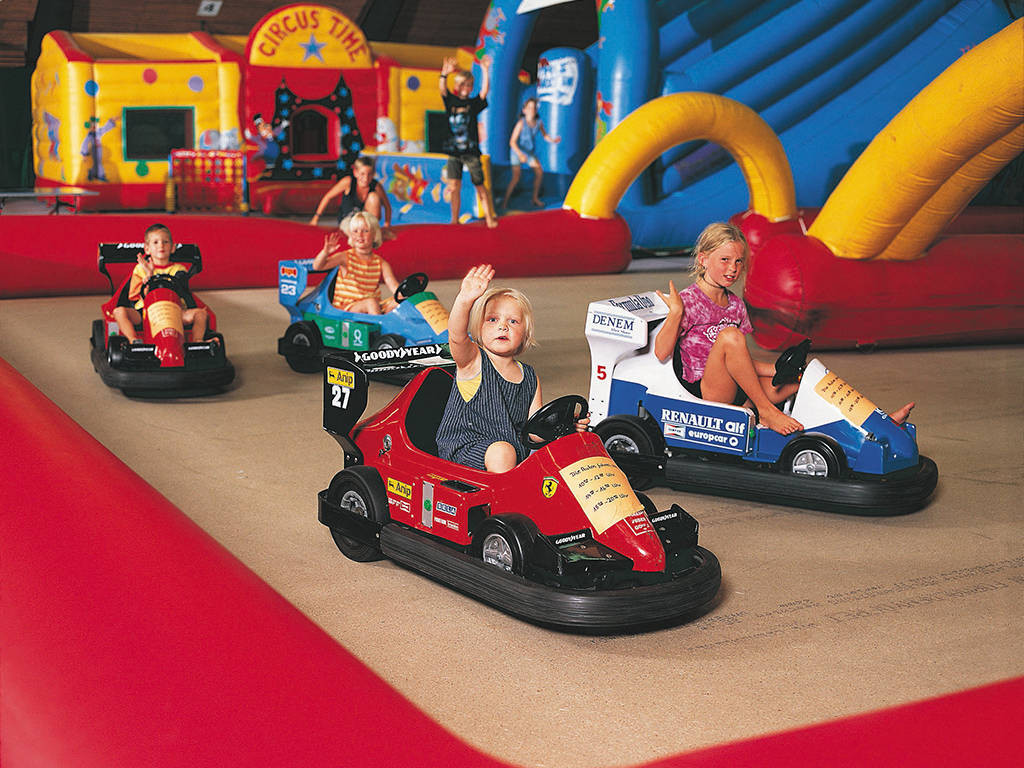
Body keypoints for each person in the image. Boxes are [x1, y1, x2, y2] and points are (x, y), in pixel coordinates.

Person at [653, 222, 915, 434]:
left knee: (809, 378)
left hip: (742, 390)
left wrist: (779, 369)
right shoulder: (688, 301)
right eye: (724, 260)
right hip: (710, 394)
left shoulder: (735, 305)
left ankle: (878, 425)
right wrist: (675, 313)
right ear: (703, 259)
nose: (733, 269)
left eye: (739, 261)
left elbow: (739, 361)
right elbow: (661, 353)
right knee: (730, 336)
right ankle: (765, 411)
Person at [436, 264, 588, 472]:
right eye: (492, 319)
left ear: (525, 334)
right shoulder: (474, 362)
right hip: (465, 448)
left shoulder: (530, 376)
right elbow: (456, 336)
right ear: (479, 328)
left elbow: (534, 432)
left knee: (558, 453)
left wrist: (565, 424)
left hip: (512, 450)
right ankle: (500, 494)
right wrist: (464, 300)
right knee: (503, 452)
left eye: (513, 321)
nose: (503, 326)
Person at [112, 223, 208, 343]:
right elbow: (134, 296)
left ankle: (198, 341)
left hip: (174, 311)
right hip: (146, 313)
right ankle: (134, 340)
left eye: (165, 242)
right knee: (119, 311)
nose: (161, 245)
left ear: (173, 247)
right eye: (156, 242)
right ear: (147, 249)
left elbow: (181, 288)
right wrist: (149, 274)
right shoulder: (140, 269)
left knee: (201, 314)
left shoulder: (179, 269)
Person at [439, 56, 498, 228]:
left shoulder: (473, 104)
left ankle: (489, 218)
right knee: (454, 185)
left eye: (469, 85)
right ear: (457, 86)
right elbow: (442, 89)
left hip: (471, 151)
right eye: (462, 84)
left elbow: (484, 92)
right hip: (454, 151)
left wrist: (485, 70)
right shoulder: (451, 101)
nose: (466, 88)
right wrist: (444, 74)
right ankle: (454, 219)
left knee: (479, 185)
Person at [311, 211, 398, 315]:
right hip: (347, 307)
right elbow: (317, 266)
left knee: (397, 302)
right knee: (371, 303)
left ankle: (381, 319)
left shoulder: (381, 263)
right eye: (355, 231)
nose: (359, 235)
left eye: (365, 231)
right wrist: (325, 252)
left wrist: (402, 297)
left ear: (375, 234)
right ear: (351, 235)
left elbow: (394, 286)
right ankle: (378, 324)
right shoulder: (345, 257)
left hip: (373, 305)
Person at [500, 98, 560, 211]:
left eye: (534, 108)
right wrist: (520, 154)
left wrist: (553, 140)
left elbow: (545, 135)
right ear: (524, 110)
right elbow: (512, 142)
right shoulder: (521, 123)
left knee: (539, 172)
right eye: (529, 108)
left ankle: (534, 198)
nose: (532, 110)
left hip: (528, 152)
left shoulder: (538, 123)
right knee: (516, 177)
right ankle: (505, 201)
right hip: (516, 151)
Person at [309, 156, 393, 233]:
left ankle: (372, 230)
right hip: (348, 220)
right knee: (356, 232)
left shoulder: (376, 186)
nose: (366, 178)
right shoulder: (348, 182)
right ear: (355, 173)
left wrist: (387, 225)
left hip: (365, 221)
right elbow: (328, 197)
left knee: (374, 197)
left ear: (373, 174)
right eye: (362, 174)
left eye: (369, 174)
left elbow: (387, 207)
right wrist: (315, 219)